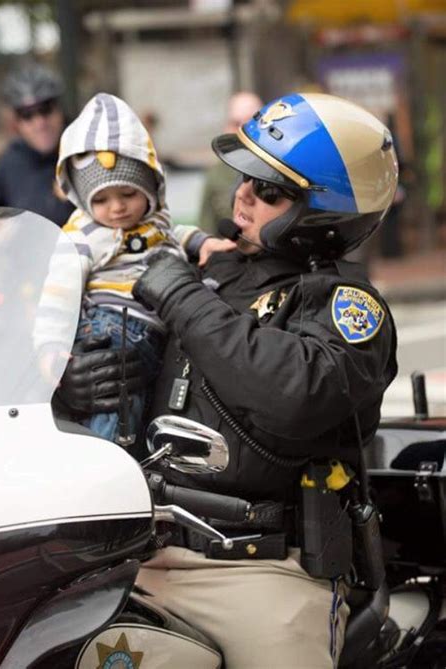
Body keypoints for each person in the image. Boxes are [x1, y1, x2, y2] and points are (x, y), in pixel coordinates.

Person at [58, 92, 399, 667]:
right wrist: (71, 386)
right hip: (132, 554)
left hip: (261, 573)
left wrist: (180, 294)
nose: (242, 192)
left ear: (322, 210)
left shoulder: (341, 303)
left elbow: (296, 393)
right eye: (244, 175)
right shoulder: (206, 268)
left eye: (268, 189)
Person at [39, 92, 233, 445]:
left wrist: (201, 242)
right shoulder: (85, 235)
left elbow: (170, 235)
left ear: (149, 186)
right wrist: (51, 345)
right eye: (100, 199)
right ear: (84, 201)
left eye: (127, 194)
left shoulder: (153, 218)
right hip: (112, 324)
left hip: (151, 327)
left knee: (146, 404)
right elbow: (59, 288)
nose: (116, 209)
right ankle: (106, 458)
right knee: (116, 401)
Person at [0, 63, 74, 227]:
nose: (40, 122)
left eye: (46, 109)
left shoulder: (83, 151)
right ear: (17, 123)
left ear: (60, 109)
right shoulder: (10, 162)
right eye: (27, 115)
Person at [198, 91, 263, 236]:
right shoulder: (216, 175)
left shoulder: (283, 170)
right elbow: (207, 231)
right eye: (235, 124)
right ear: (227, 127)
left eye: (249, 123)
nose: (241, 131)